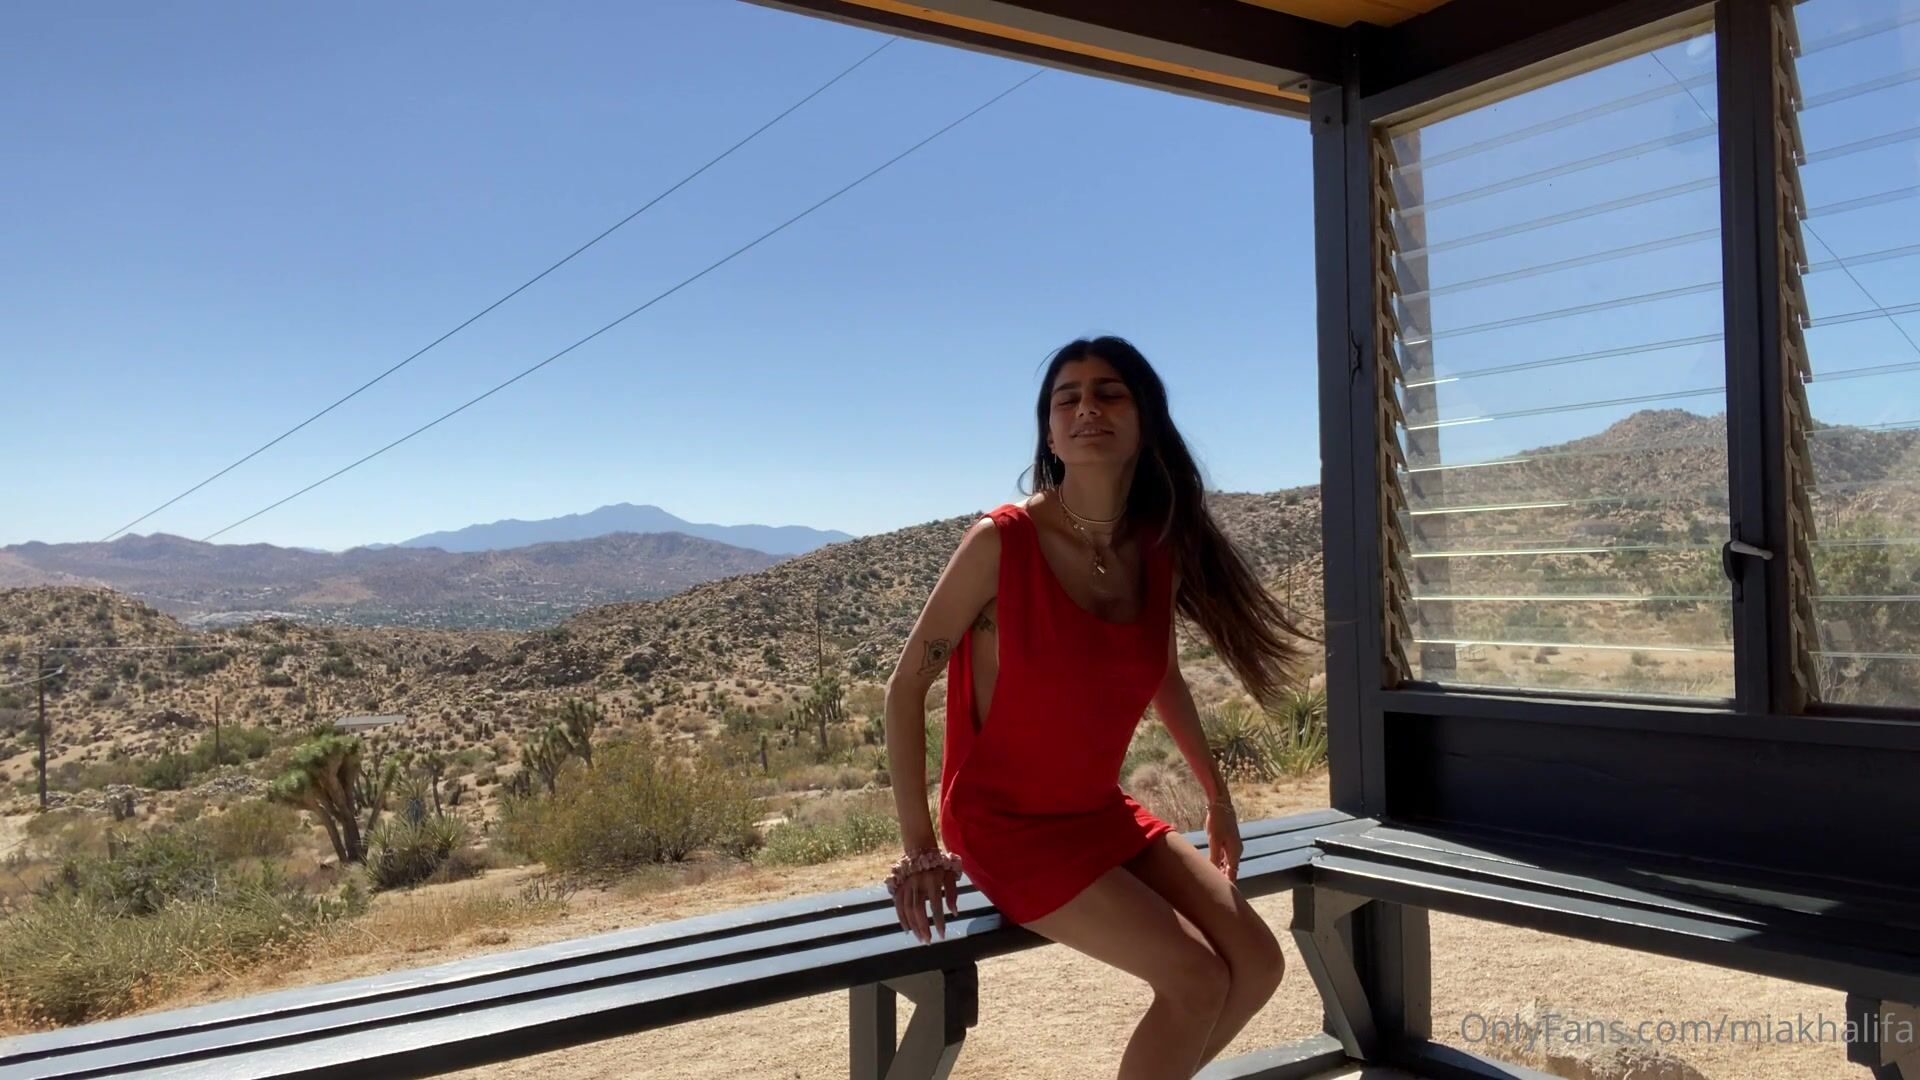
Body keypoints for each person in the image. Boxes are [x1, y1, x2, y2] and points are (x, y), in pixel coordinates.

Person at [880, 335, 1313, 1079]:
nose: (1087, 407)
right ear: (1050, 433)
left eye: (1110, 392)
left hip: (1097, 812)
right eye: (1067, 397)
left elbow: (1162, 673)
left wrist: (1218, 797)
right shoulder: (1001, 542)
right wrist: (921, 847)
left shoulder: (1154, 550)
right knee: (1197, 979)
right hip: (1004, 827)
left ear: (1144, 422)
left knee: (1258, 964)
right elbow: (904, 687)